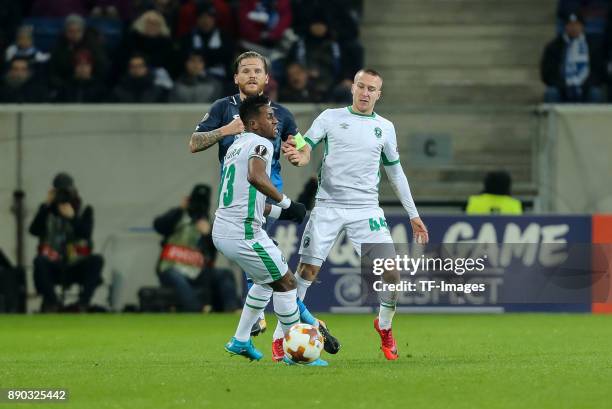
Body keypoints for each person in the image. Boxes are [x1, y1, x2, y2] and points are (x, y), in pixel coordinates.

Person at [189, 50, 340, 360]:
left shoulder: (277, 118)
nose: (252, 75)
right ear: (236, 78)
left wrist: (301, 156)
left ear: (267, 78)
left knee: (266, 279)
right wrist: (225, 130)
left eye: (258, 70)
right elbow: (197, 144)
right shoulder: (232, 117)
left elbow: (301, 150)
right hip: (246, 211)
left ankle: (245, 336)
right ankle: (292, 344)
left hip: (250, 206)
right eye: (245, 70)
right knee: (283, 281)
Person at [282, 68, 429, 361]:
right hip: (328, 206)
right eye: (361, 86)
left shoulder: (385, 127)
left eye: (371, 89)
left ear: (379, 94)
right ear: (352, 88)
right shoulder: (330, 117)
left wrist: (413, 214)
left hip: (366, 210)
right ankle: (286, 335)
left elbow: (395, 173)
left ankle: (384, 327)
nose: (365, 93)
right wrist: (300, 155)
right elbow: (305, 145)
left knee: (392, 274)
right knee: (307, 272)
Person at [214, 95, 326, 366]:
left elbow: (250, 199)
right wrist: (287, 202)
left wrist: (283, 213)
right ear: (253, 123)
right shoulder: (260, 143)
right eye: (269, 116)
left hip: (226, 228)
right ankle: (295, 353)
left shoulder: (235, 146)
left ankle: (240, 340)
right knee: (287, 283)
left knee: (265, 284)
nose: (276, 121)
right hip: (243, 233)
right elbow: (256, 176)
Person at [153, 184, 239, 312]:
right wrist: (180, 209)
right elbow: (158, 226)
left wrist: (208, 235)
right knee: (180, 284)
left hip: (196, 270)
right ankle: (196, 310)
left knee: (224, 274)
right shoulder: (178, 217)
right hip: (172, 267)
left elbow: (212, 256)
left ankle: (233, 309)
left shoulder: (206, 223)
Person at [29, 173, 104, 312]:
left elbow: (86, 233)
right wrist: (46, 206)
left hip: (77, 264)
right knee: (39, 261)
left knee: (97, 260)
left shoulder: (84, 209)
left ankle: (83, 304)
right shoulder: (46, 210)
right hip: (53, 264)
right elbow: (33, 231)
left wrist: (73, 218)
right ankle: (53, 303)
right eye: (60, 192)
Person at [540, 12, 605, 103]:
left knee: (595, 93)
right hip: (561, 88)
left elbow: (599, 71)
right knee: (552, 93)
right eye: (570, 24)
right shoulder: (553, 47)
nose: (574, 28)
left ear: (582, 26)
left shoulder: (593, 46)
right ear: (565, 27)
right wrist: (565, 86)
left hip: (586, 88)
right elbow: (547, 73)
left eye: (576, 24)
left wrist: (583, 86)